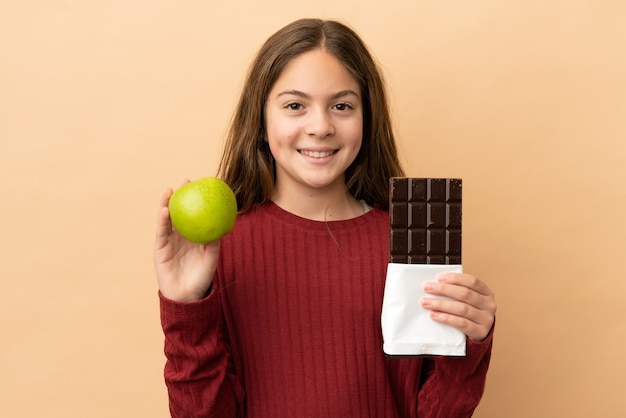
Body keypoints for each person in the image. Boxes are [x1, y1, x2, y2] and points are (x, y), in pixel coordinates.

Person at [154, 18, 496, 418]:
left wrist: (470, 344)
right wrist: (186, 308)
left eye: (342, 106)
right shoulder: (215, 249)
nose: (320, 126)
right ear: (262, 122)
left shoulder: (410, 240)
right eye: (295, 105)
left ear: (367, 120)